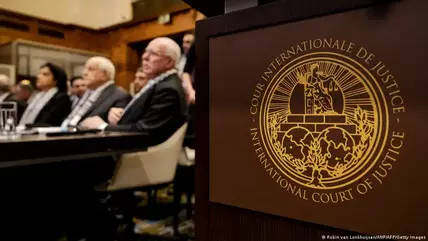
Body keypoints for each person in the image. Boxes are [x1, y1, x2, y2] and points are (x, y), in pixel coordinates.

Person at [81, 37, 188, 145]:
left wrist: (102, 126)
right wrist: (122, 115)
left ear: (169, 62)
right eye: (146, 52)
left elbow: (145, 131)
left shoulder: (168, 89)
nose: (144, 57)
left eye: (153, 53)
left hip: (136, 154)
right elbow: (144, 117)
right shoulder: (161, 83)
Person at [61, 57, 131, 128]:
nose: (84, 73)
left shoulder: (120, 96)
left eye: (90, 69)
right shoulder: (88, 92)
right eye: (85, 69)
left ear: (104, 74)